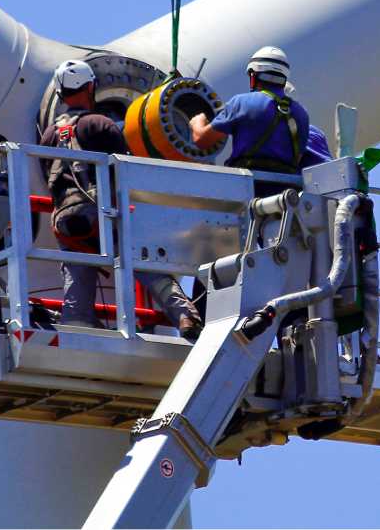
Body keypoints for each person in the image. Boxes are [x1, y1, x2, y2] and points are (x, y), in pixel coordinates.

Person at [41, 59, 202, 338]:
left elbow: (47, 177)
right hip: (101, 213)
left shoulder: (48, 136)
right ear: (91, 86)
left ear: (61, 94)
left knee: (76, 275)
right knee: (144, 261)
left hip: (66, 222)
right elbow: (123, 174)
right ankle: (185, 315)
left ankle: (76, 332)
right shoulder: (101, 124)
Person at [189, 47, 310, 194]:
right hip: (286, 196)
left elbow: (202, 140)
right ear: (284, 79)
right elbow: (297, 158)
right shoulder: (301, 114)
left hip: (248, 190)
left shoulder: (241, 102)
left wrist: (198, 123)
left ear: (253, 77)